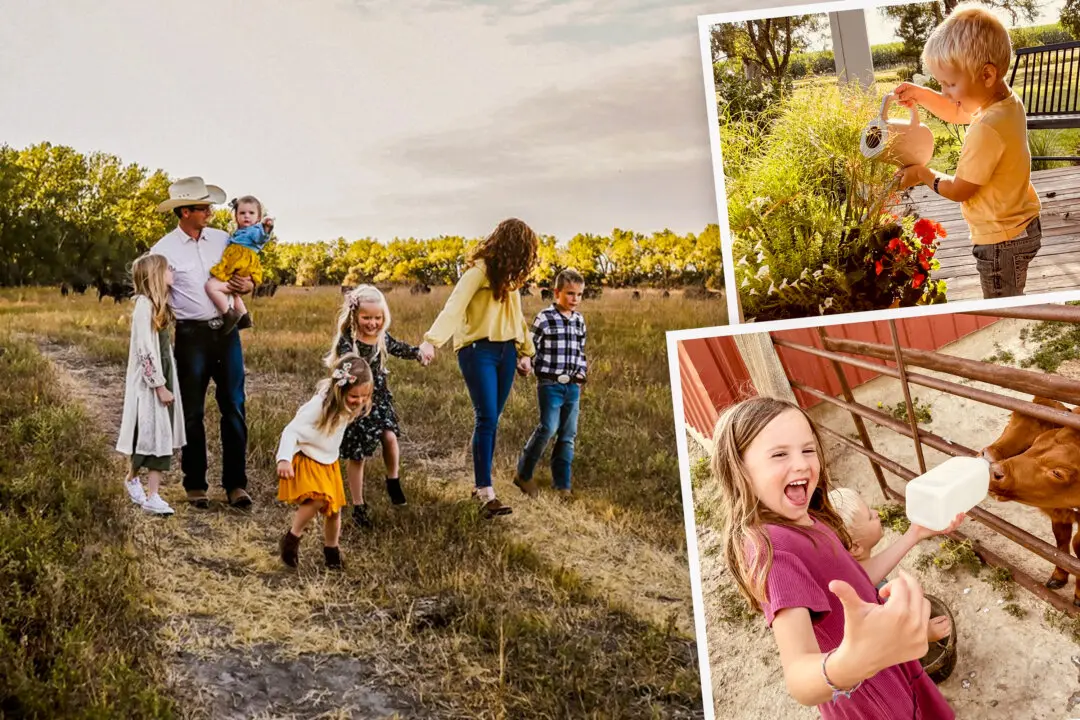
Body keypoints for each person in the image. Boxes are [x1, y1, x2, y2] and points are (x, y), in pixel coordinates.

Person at [712, 396, 957, 718]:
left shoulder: (806, 518)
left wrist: (914, 534)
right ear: (740, 468)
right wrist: (856, 660)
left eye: (808, 449)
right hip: (869, 693)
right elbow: (799, 678)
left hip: (883, 664)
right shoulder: (773, 551)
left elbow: (853, 581)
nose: (801, 464)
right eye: (780, 454)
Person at [893, 4, 1041, 299]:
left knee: (1004, 304)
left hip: (1001, 241)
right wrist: (921, 95)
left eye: (949, 83)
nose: (945, 91)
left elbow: (961, 190)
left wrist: (922, 173)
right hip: (1022, 225)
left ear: (986, 75)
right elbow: (958, 110)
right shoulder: (1005, 103)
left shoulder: (986, 127)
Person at [418, 218, 538, 519]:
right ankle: (486, 493)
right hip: (477, 350)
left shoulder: (511, 281)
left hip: (506, 352)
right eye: (524, 252)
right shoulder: (479, 271)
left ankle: (480, 486)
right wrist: (432, 341)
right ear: (511, 248)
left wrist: (526, 353)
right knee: (486, 416)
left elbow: (518, 319)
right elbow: (454, 306)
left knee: (492, 419)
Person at [151, 176, 256, 510]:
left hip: (227, 333)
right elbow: (156, 298)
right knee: (192, 412)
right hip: (191, 335)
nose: (210, 211)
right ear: (184, 212)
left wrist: (247, 284)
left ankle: (236, 485)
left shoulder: (225, 239)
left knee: (234, 407)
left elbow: (246, 277)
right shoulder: (162, 250)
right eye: (202, 206)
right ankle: (195, 484)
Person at [325, 285, 428, 529]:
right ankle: (359, 505)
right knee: (357, 456)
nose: (372, 323)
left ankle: (393, 480)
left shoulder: (382, 337)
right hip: (357, 403)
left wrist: (418, 353)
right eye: (367, 317)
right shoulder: (347, 341)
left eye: (377, 318)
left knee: (390, 437)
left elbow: (399, 348)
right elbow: (346, 366)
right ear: (355, 316)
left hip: (380, 399)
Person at [277, 354, 374, 570]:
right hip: (309, 458)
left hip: (328, 461)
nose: (359, 401)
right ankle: (292, 538)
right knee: (319, 499)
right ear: (340, 390)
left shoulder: (350, 406)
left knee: (334, 510)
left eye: (365, 396)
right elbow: (291, 430)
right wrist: (283, 459)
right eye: (354, 397)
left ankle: (332, 551)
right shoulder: (318, 405)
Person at [827, 486, 953, 643]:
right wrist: (925, 634)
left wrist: (916, 532)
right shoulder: (870, 602)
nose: (876, 513)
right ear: (855, 547)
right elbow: (887, 639)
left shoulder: (847, 573)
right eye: (869, 517)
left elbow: (867, 575)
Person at [116, 253, 186, 516]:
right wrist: (159, 385)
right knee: (152, 434)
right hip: (150, 382)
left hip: (164, 374)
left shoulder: (160, 304)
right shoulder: (144, 306)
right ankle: (146, 489)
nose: (173, 273)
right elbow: (145, 350)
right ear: (156, 275)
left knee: (158, 434)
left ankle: (143, 487)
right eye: (168, 270)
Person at [514, 268, 587, 498]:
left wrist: (582, 372)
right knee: (548, 428)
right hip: (550, 384)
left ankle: (562, 485)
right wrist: (525, 362)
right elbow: (530, 347)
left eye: (579, 294)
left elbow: (580, 352)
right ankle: (523, 474)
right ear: (557, 292)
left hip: (572, 386)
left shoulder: (579, 321)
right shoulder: (545, 318)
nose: (575, 299)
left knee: (568, 435)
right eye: (570, 293)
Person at [206, 195, 274, 334]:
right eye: (242, 213)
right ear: (236, 216)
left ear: (259, 217)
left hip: (242, 263)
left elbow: (261, 238)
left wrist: (267, 228)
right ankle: (244, 316)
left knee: (211, 286)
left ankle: (229, 314)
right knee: (234, 293)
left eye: (251, 213)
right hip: (238, 263)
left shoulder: (255, 230)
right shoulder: (238, 232)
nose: (246, 216)